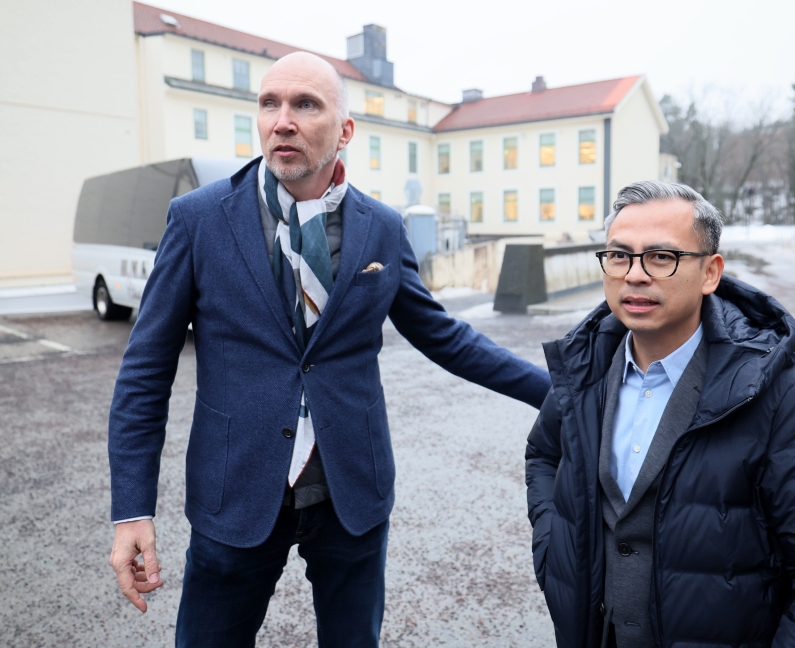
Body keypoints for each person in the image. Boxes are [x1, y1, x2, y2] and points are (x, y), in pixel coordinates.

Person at [107, 51, 550, 647]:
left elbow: (443, 335)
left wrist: (557, 392)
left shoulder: (381, 227)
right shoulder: (199, 219)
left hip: (351, 492)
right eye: (270, 104)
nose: (282, 121)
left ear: (344, 131)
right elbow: (145, 370)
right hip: (235, 492)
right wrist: (131, 509)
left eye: (305, 105)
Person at [525, 181, 795, 647]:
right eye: (619, 256)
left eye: (661, 257)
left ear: (710, 272)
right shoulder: (585, 373)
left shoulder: (783, 401)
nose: (634, 275)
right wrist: (554, 546)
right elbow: (545, 454)